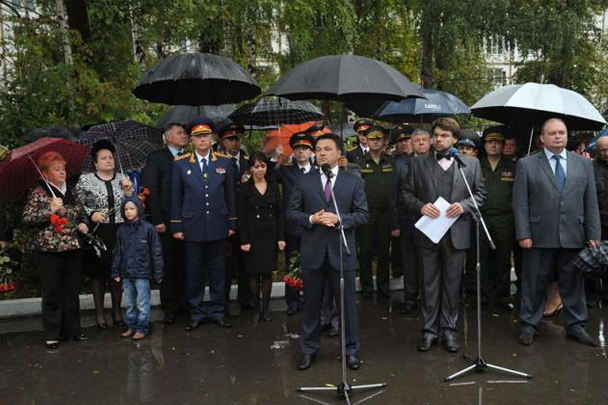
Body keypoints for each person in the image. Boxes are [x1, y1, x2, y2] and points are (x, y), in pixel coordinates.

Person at [513, 118, 600, 346]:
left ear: (567, 135)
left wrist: (593, 234)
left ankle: (575, 325)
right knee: (534, 281)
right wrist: (523, 233)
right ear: (542, 138)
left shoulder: (584, 165)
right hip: (538, 233)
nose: (558, 136)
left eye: (561, 132)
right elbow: (520, 203)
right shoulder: (526, 164)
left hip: (574, 233)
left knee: (573, 282)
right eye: (552, 133)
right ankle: (529, 324)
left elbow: (590, 201)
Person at [403, 117, 486, 353]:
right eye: (436, 135)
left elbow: (480, 194)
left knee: (452, 284)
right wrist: (420, 206)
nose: (438, 139)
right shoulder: (417, 164)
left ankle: (450, 330)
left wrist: (465, 206)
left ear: (455, 140)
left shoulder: (470, 164)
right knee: (428, 284)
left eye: (444, 136)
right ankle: (429, 331)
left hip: (456, 233)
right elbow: (406, 194)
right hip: (429, 233)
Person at [287, 133, 369, 371]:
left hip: (341, 252)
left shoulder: (352, 181)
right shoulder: (304, 181)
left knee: (347, 306)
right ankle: (309, 349)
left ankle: (350, 350)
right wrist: (311, 218)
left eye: (327, 149)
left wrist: (340, 219)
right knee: (311, 305)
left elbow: (363, 215)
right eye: (318, 149)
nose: (321, 153)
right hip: (313, 253)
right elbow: (291, 213)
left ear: (338, 153)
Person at [171, 117, 237, 331]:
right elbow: (176, 197)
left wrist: (232, 223)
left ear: (211, 138)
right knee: (194, 272)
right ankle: (197, 312)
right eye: (198, 137)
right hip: (192, 226)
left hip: (218, 224)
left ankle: (218, 311)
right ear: (191, 140)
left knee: (219, 272)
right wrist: (177, 226)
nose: (202, 140)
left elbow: (230, 196)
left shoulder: (224, 162)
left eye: (206, 136)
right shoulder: (181, 164)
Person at [22, 151, 90, 349]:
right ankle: (53, 333)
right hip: (48, 250)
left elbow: (81, 213)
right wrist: (49, 210)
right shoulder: (38, 192)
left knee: (71, 289)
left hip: (73, 247)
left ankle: (73, 330)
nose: (62, 172)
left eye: (63, 168)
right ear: (45, 173)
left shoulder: (72, 190)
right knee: (52, 291)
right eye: (57, 169)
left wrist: (84, 224)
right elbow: (27, 218)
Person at [75, 140, 134, 330]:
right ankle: (99, 313)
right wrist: (91, 214)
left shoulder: (122, 178)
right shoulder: (86, 179)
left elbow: (133, 207)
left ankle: (117, 311)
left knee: (117, 272)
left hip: (120, 230)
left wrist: (128, 193)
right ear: (95, 162)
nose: (108, 161)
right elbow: (77, 204)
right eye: (103, 158)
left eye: (110, 157)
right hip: (98, 231)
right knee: (98, 274)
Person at [141, 123, 188, 324]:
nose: (184, 136)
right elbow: (150, 190)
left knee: (186, 264)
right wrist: (158, 219)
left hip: (188, 221)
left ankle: (185, 304)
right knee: (168, 264)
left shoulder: (188, 158)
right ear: (168, 137)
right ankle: (169, 307)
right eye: (180, 133)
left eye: (185, 133)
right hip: (166, 222)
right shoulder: (157, 158)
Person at [239, 152, 285, 322]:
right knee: (253, 274)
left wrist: (281, 237)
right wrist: (244, 240)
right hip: (252, 235)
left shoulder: (273, 186)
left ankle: (266, 309)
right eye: (256, 167)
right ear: (250, 169)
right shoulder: (245, 187)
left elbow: (280, 213)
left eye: (263, 166)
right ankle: (256, 309)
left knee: (267, 273)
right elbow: (241, 215)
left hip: (270, 234)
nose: (260, 170)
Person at [274, 132, 315, 315]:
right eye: (298, 148)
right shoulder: (287, 170)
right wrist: (276, 158)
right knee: (292, 264)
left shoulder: (318, 170)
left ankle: (310, 298)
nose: (301, 152)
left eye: (305, 148)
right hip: (292, 226)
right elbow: (268, 176)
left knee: (311, 264)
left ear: (311, 151)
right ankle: (292, 300)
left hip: (313, 225)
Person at [111, 197, 163, 340]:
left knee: (142, 303)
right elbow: (117, 252)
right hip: (126, 273)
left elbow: (156, 251)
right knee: (130, 303)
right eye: (126, 209)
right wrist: (116, 271)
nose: (128, 212)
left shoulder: (148, 229)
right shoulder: (121, 230)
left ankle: (142, 328)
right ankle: (131, 326)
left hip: (142, 273)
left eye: (132, 208)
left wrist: (158, 272)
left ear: (139, 210)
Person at [477, 127, 516, 311]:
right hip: (482, 218)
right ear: (484, 145)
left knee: (503, 259)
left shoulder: (513, 166)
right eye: (489, 142)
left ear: (503, 145)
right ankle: (482, 295)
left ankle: (503, 296)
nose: (493, 145)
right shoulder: (477, 165)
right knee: (481, 257)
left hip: (505, 219)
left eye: (497, 142)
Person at [356, 125, 394, 299]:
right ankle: (366, 288)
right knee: (364, 252)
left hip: (386, 214)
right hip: (366, 215)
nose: (376, 141)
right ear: (366, 140)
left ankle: (384, 286)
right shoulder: (359, 163)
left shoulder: (390, 161)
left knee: (384, 253)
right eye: (372, 138)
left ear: (384, 140)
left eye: (379, 138)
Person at [216, 121, 251, 312]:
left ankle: (246, 298)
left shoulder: (248, 162)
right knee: (225, 263)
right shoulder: (217, 162)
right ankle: (224, 300)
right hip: (225, 219)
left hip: (245, 220)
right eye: (230, 139)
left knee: (245, 262)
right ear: (222, 141)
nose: (234, 143)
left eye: (237, 138)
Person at [587, 135, 608, 306]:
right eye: (603, 150)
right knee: (594, 261)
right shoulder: (590, 168)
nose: (607, 153)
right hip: (598, 222)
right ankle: (593, 296)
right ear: (597, 151)